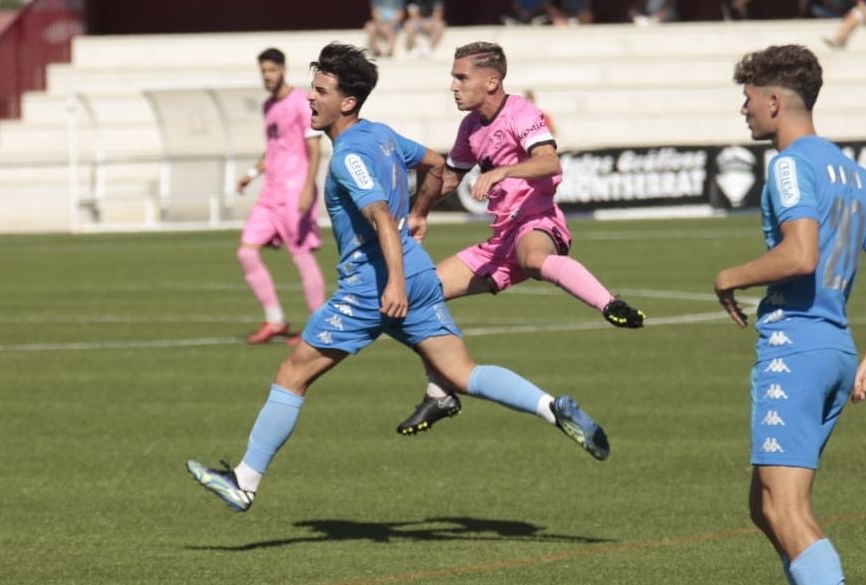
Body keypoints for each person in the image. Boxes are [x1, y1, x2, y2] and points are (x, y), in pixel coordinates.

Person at [186, 42, 610, 513]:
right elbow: (435, 165)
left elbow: (383, 219)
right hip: (421, 274)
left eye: (320, 90)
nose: (309, 98)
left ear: (347, 101)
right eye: (312, 87)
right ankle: (553, 409)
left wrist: (391, 280)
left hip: (373, 287)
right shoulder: (383, 135)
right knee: (463, 373)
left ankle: (244, 481)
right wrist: (421, 214)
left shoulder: (348, 155)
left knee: (292, 373)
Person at [397, 42, 644, 436]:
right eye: (453, 77)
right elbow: (449, 178)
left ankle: (609, 303)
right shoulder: (470, 127)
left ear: (491, 81)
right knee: (416, 294)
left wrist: (502, 172)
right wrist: (414, 211)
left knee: (532, 256)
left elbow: (549, 160)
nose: (453, 86)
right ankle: (439, 392)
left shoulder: (521, 113)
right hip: (498, 244)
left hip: (537, 222)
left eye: (461, 77)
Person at [714, 44, 866, 585]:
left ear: (775, 102)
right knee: (766, 506)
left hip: (797, 348)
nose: (745, 109)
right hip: (834, 348)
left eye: (749, 98)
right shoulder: (854, 174)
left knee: (786, 511)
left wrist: (728, 277)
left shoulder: (789, 165)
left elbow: (800, 254)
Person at [235, 48, 325, 345]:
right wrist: (250, 173)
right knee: (246, 252)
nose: (267, 76)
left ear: (283, 69)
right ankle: (275, 319)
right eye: (263, 71)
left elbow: (314, 148)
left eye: (271, 70)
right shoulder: (268, 107)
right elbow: (273, 150)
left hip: (295, 191)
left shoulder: (301, 101)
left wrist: (308, 188)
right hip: (270, 194)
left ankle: (317, 327)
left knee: (301, 257)